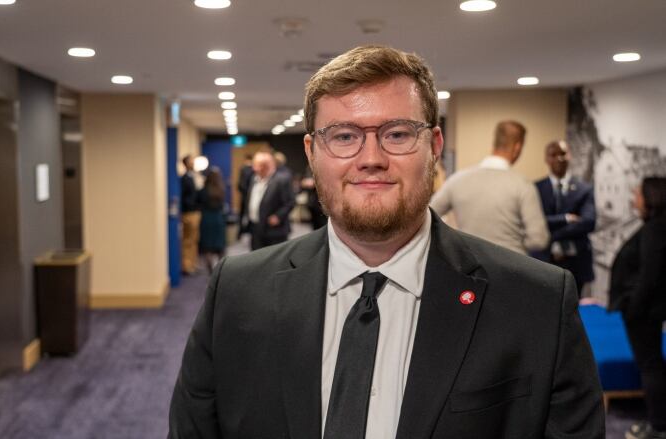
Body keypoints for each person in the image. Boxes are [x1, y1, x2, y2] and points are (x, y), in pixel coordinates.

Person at [169, 45, 604, 438]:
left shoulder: (537, 302)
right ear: (311, 153)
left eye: (397, 134)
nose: (372, 159)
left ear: (434, 146)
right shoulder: (237, 292)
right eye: (343, 136)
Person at [430, 120, 550, 254]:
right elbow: (539, 239)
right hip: (511, 266)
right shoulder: (523, 185)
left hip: (470, 265)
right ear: (517, 147)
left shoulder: (457, 179)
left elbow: (428, 216)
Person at [609, 177, 666, 439]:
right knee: (652, 364)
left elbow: (649, 276)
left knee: (650, 365)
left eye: (638, 193)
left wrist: (633, 308)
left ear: (651, 197)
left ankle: (658, 426)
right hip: (647, 309)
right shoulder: (655, 227)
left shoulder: (655, 229)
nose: (634, 198)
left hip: (644, 312)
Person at [531, 140, 596, 296]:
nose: (559, 158)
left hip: (575, 263)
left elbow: (588, 222)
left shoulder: (584, 189)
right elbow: (536, 221)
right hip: (543, 260)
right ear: (546, 159)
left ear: (570, 156)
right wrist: (565, 219)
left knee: (572, 310)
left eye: (563, 154)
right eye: (554, 155)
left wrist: (552, 235)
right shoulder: (535, 188)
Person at [243, 149, 295, 250]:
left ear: (265, 166)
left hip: (274, 231)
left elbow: (290, 202)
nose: (253, 168)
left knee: (275, 262)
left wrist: (278, 216)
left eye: (256, 165)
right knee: (257, 259)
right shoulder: (254, 178)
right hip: (256, 227)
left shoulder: (282, 180)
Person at [198, 167, 227, 273]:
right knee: (220, 246)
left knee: (207, 247)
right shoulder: (221, 190)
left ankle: (211, 272)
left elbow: (198, 203)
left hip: (206, 218)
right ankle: (221, 270)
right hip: (218, 218)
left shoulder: (203, 191)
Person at [180, 154, 201, 275]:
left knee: (194, 239)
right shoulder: (184, 178)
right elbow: (185, 196)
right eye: (191, 161)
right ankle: (187, 266)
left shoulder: (194, 176)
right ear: (186, 163)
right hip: (188, 213)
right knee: (188, 240)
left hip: (195, 211)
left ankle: (193, 263)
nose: (193, 163)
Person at [236, 153, 254, 238]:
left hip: (245, 196)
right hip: (252, 196)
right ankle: (251, 232)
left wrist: (244, 193)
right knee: (251, 214)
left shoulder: (243, 169)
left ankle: (240, 233)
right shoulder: (254, 169)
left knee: (242, 214)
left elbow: (240, 184)